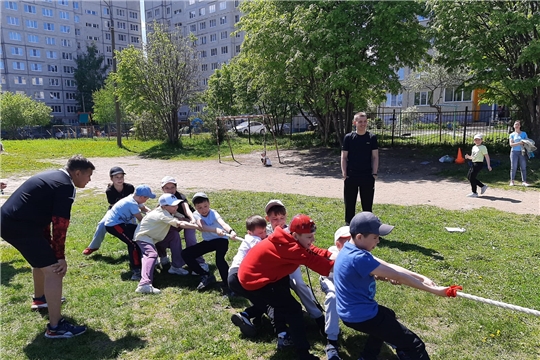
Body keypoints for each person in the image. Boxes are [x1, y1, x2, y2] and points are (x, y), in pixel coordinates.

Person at [334, 212, 456, 360]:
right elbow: (397, 276)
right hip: (362, 316)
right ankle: (405, 352)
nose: (378, 241)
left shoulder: (349, 249)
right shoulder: (359, 258)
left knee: (388, 315)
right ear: (359, 236)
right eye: (375, 237)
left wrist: (421, 277)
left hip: (351, 313)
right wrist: (435, 291)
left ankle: (367, 357)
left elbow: (389, 267)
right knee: (415, 345)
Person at [0, 155, 95, 338]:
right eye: (88, 175)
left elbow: (41, 213)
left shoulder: (53, 176)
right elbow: (60, 223)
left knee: (41, 262)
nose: (89, 180)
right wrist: (59, 256)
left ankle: (40, 299)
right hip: (20, 226)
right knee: (54, 270)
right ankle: (55, 327)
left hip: (9, 222)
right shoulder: (66, 186)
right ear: (77, 173)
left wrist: (47, 245)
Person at [238, 214, 335, 360]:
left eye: (312, 235)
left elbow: (311, 249)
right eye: (309, 237)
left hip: (268, 274)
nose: (312, 239)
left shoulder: (287, 237)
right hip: (256, 280)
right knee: (293, 309)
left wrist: (329, 254)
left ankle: (281, 329)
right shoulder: (291, 248)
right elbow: (321, 266)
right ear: (295, 235)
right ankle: (303, 354)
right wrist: (351, 263)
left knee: (283, 303)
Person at [264, 200, 327, 339]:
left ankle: (318, 317)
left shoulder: (291, 231)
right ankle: (282, 322)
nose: (279, 222)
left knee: (299, 284)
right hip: (274, 269)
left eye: (282, 218)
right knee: (277, 292)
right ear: (267, 219)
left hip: (291, 264)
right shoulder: (264, 232)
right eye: (274, 219)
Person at [133, 194, 199, 294]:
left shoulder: (170, 211)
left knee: (174, 235)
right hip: (144, 237)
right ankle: (144, 284)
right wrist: (197, 226)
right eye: (173, 205)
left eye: (176, 204)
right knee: (151, 254)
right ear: (163, 206)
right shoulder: (161, 214)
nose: (176, 207)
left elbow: (182, 218)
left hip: (156, 236)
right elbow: (180, 224)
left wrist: (191, 220)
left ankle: (176, 267)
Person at [181, 192, 237, 293]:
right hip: (209, 241)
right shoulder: (196, 215)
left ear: (209, 204)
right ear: (196, 208)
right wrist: (215, 230)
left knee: (220, 260)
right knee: (186, 254)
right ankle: (205, 275)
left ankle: (230, 285)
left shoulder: (214, 213)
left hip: (221, 240)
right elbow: (202, 227)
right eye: (200, 208)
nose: (203, 210)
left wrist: (231, 231)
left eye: (205, 206)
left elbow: (223, 224)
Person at [228, 215, 269, 337]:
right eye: (260, 233)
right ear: (250, 232)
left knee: (259, 298)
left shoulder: (250, 238)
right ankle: (246, 316)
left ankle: (251, 317)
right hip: (239, 275)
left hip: (234, 274)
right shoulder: (254, 240)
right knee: (266, 301)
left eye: (265, 231)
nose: (263, 234)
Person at [104, 184, 156, 281]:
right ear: (141, 197)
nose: (147, 200)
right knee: (133, 243)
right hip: (114, 225)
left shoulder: (135, 199)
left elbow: (144, 208)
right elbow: (141, 219)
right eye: (147, 198)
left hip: (121, 223)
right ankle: (136, 270)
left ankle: (143, 260)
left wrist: (152, 212)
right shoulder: (131, 203)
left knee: (137, 235)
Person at [82, 166, 137, 255]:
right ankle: (93, 247)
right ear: (111, 178)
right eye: (116, 177)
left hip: (129, 211)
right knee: (102, 224)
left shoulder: (130, 187)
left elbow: (134, 201)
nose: (119, 179)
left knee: (134, 227)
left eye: (121, 177)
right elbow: (115, 206)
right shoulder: (110, 190)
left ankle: (137, 249)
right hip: (114, 211)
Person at [159, 176, 208, 273]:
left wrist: (192, 219)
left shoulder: (180, 197)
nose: (170, 190)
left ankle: (199, 261)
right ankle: (165, 258)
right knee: (164, 234)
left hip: (188, 220)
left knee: (190, 238)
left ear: (176, 187)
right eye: (167, 188)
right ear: (162, 189)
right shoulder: (163, 200)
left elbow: (187, 210)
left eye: (172, 187)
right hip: (175, 221)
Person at [319, 226, 351, 360]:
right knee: (333, 296)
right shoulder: (333, 252)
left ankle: (389, 338)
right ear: (338, 244)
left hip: (347, 283)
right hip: (329, 279)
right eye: (346, 242)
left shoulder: (361, 252)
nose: (351, 245)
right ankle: (331, 341)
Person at [341, 112, 379, 224]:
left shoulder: (372, 137)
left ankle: (368, 228)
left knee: (367, 205)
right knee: (349, 204)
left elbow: (375, 157)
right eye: (360, 121)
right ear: (355, 123)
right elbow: (344, 157)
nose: (363, 124)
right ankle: (349, 227)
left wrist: (374, 173)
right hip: (351, 175)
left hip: (367, 176)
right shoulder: (349, 138)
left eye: (365, 121)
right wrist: (344, 173)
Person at [509, 120, 530, 186]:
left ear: (520, 126)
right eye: (515, 124)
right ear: (514, 126)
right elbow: (511, 144)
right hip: (514, 152)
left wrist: (525, 142)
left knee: (523, 167)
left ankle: (524, 181)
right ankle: (512, 181)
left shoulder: (524, 133)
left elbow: (527, 142)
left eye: (518, 124)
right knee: (513, 167)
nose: (517, 126)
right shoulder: (512, 134)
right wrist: (519, 143)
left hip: (522, 152)